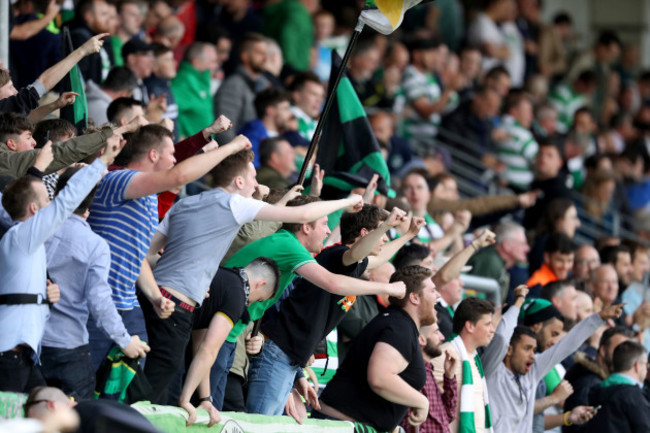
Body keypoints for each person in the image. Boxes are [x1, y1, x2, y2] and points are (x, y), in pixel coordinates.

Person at [143, 156, 372, 405]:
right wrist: (348, 201)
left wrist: (155, 292)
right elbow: (331, 276)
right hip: (183, 307)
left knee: (160, 387)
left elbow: (145, 253)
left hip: (167, 300)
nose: (256, 186)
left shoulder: (187, 204)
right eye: (253, 179)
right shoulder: (237, 210)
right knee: (157, 392)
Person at [245, 206, 427, 419]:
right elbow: (355, 252)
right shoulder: (337, 256)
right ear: (364, 234)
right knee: (258, 425)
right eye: (382, 232)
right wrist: (388, 225)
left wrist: (408, 235)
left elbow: (378, 258)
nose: (385, 238)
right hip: (278, 353)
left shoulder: (355, 263)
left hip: (289, 359)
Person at [85, 119, 238, 370]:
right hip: (98, 297)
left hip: (127, 303)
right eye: (171, 154)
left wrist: (155, 296)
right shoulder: (120, 179)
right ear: (154, 154)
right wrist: (230, 148)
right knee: (89, 384)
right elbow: (179, 175)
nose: (173, 161)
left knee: (127, 384)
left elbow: (138, 256)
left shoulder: (148, 199)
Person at [0, 132, 123, 393]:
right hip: (10, 352)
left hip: (25, 352)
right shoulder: (23, 236)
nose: (52, 205)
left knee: (45, 406)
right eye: (46, 201)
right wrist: (102, 162)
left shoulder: (21, 239)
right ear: (34, 210)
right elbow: (67, 201)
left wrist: (45, 293)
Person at [41, 167, 149, 400]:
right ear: (91, 206)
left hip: (31, 343)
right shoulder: (95, 245)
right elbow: (100, 302)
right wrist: (125, 340)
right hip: (68, 348)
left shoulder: (34, 230)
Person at [315, 266, 437, 432]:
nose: (437, 296)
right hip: (342, 425)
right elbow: (380, 378)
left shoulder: (399, 323)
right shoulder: (400, 327)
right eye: (433, 290)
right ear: (415, 298)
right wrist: (421, 401)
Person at [487, 299, 623, 433]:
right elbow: (501, 339)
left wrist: (598, 318)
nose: (532, 356)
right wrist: (517, 303)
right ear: (509, 350)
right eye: (527, 349)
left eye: (534, 350)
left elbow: (567, 344)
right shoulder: (491, 369)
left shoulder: (532, 372)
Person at [178, 258, 281, 425]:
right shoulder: (238, 296)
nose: (251, 303)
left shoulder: (222, 277)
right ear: (260, 284)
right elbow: (209, 350)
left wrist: (205, 399)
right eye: (259, 299)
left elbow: (200, 344)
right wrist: (185, 399)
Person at [431, 297, 496, 433]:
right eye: (487, 324)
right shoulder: (445, 355)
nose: (492, 330)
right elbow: (432, 405)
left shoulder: (473, 359)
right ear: (470, 326)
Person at [563, 326, 635, 433]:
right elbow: (578, 428)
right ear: (603, 350)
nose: (623, 356)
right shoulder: (589, 384)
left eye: (627, 352)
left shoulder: (601, 381)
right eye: (618, 350)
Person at [399, 321, 458, 433]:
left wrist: (449, 377)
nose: (442, 337)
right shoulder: (412, 374)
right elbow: (411, 424)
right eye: (436, 332)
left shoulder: (428, 371)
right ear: (421, 339)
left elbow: (448, 416)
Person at [213, 33, 269, 142]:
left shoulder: (262, 84)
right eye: (260, 53)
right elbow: (224, 130)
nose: (265, 58)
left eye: (265, 54)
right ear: (244, 56)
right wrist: (239, 157)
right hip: (240, 155)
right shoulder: (233, 86)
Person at [584, 341, 650, 433]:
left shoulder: (597, 389)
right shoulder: (633, 396)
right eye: (646, 364)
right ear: (637, 366)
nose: (646, 369)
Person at [468, 221, 530, 302]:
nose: (527, 248)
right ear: (506, 245)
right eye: (523, 244)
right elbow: (475, 302)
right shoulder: (491, 263)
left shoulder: (496, 261)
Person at [171, 42, 219, 140]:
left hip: (203, 148)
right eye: (212, 62)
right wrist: (179, 137)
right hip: (190, 150)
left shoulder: (201, 80)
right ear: (196, 62)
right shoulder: (183, 82)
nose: (215, 66)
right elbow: (171, 112)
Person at [237, 88, 292, 166]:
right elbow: (251, 166)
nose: (290, 114)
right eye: (285, 109)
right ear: (270, 111)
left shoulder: (283, 136)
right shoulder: (251, 135)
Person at [497, 90, 539, 192]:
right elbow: (539, 160)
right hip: (516, 190)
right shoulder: (521, 135)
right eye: (528, 112)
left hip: (502, 187)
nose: (531, 117)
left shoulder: (499, 126)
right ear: (514, 112)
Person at [70, 0, 115, 84]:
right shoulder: (80, 38)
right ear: (88, 16)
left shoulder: (104, 39)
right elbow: (80, 78)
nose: (108, 20)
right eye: (104, 14)